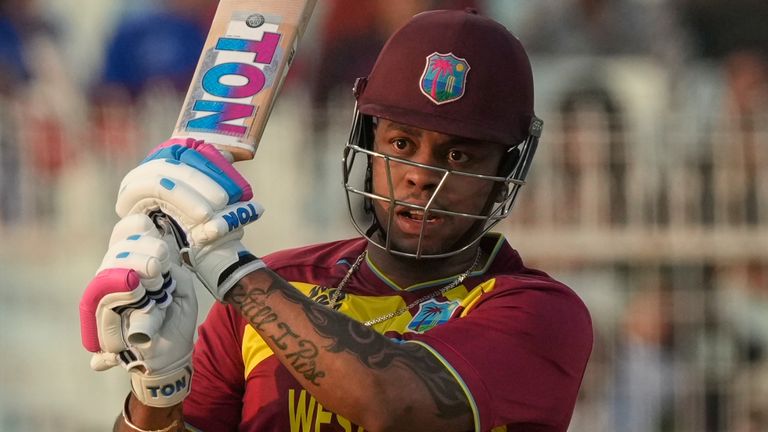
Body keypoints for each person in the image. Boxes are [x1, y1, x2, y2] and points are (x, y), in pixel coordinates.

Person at [79, 9, 593, 432]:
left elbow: (392, 407)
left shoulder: (539, 314)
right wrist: (157, 385)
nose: (421, 176)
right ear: (366, 145)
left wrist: (225, 264)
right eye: (401, 144)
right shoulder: (280, 284)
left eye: (459, 156)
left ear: (506, 170)